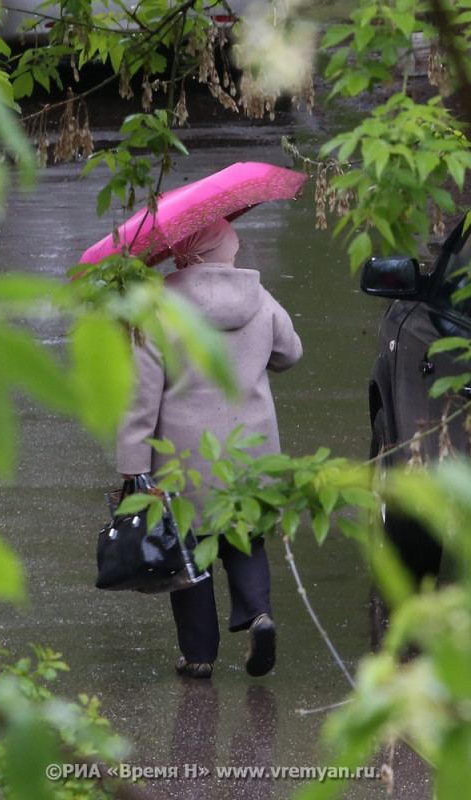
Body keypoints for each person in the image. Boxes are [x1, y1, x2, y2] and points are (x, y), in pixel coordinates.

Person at [116, 218, 303, 679]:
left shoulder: (159, 309)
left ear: (182, 252)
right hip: (250, 449)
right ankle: (258, 616)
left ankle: (199, 655)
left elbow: (141, 395)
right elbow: (291, 353)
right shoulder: (260, 298)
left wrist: (132, 463)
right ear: (227, 249)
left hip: (183, 457)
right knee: (246, 539)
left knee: (189, 550)